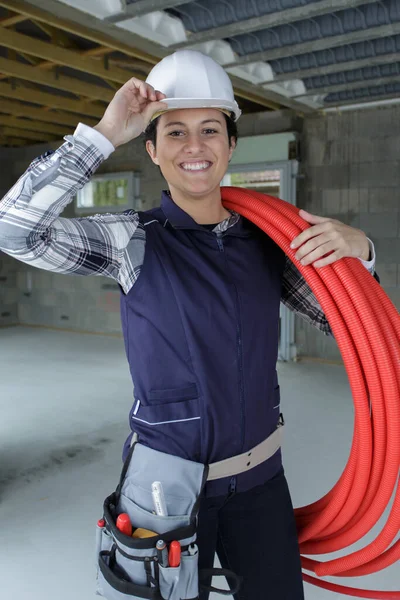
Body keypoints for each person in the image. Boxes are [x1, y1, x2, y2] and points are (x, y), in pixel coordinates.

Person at [0, 50, 377, 599]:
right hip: (164, 489)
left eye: (209, 130)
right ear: (151, 149)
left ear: (229, 145)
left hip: (260, 481)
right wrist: (106, 133)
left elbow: (346, 322)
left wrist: (359, 252)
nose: (195, 146)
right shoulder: (132, 238)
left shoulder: (267, 242)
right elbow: (15, 231)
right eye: (175, 132)